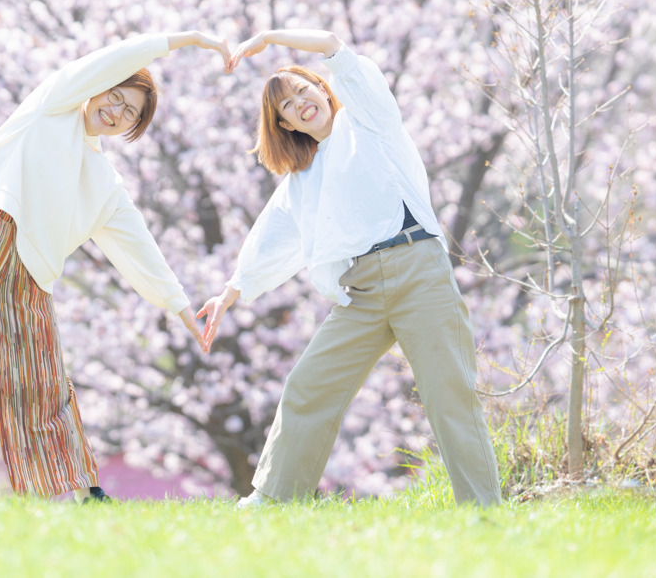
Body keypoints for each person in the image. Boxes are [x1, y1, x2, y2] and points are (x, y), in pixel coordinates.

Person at [0, 30, 228, 502]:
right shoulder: (54, 102)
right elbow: (118, 55)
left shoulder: (105, 182)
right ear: (97, 85)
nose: (116, 111)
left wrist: (179, 307)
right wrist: (185, 40)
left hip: (32, 271)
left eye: (130, 113)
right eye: (115, 96)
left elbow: (139, 247)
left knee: (39, 378)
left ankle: (76, 490)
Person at [199, 29, 502, 507]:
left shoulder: (368, 119)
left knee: (448, 393)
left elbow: (333, 45)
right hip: (359, 292)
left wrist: (270, 38)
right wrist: (231, 292)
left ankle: (483, 511)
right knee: (309, 385)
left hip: (417, 270)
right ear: (285, 125)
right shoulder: (304, 178)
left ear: (324, 89)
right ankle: (273, 501)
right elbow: (272, 236)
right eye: (287, 107)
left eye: (304, 90)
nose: (300, 104)